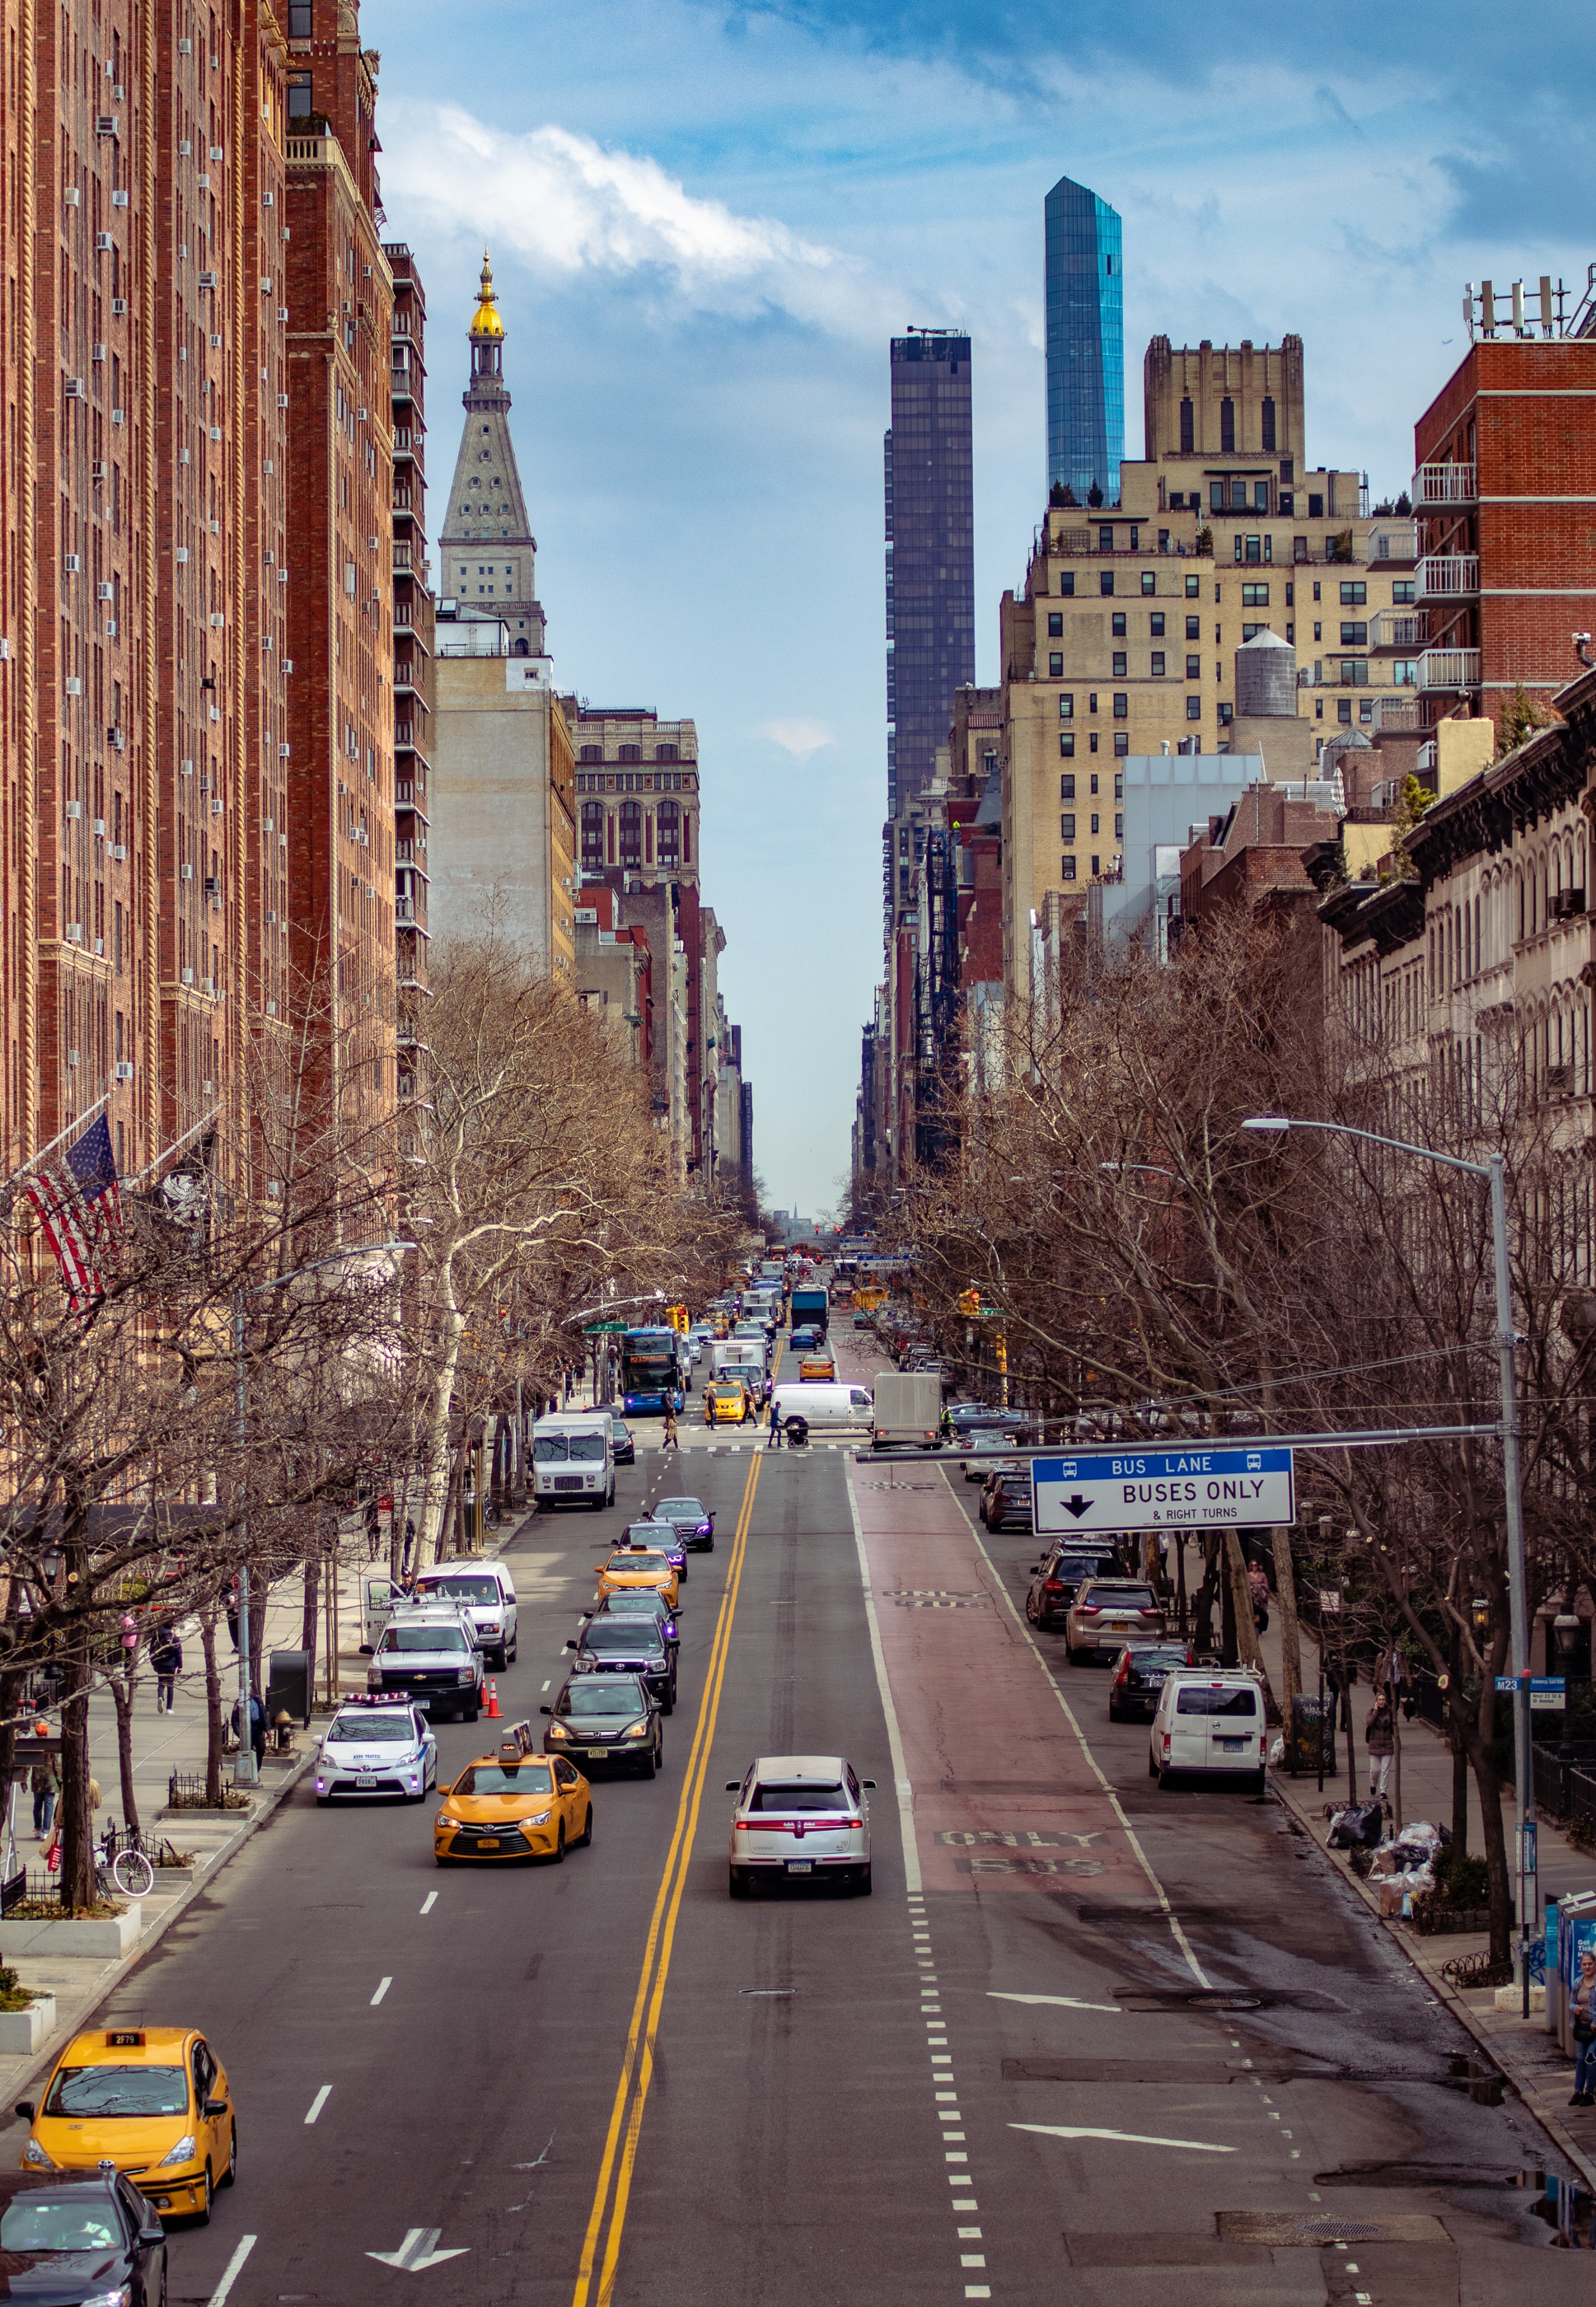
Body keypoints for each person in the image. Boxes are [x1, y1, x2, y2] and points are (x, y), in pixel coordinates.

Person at [1570, 1948, 1596, 2107]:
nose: (1587, 1967)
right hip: (1581, 2028)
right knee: (1580, 2059)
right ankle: (1577, 2092)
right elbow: (1571, 2002)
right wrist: (1575, 2008)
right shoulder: (1577, 1983)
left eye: (1590, 1964)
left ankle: (1589, 2092)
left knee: (1590, 2058)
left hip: (1595, 2029)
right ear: (1581, 1966)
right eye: (1584, 1964)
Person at [1364, 1688, 1396, 1805]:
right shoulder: (1372, 1711)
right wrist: (1376, 1712)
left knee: (1385, 1770)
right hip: (1375, 1744)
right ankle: (1373, 1784)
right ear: (1376, 1701)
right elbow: (1369, 1723)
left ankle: (1383, 1790)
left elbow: (1394, 1727)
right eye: (1379, 1700)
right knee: (1375, 1770)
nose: (1381, 1702)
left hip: (1387, 1744)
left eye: (1383, 1700)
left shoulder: (1390, 1712)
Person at [151, 1626, 182, 1713]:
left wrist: (154, 1663)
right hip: (171, 1665)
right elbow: (179, 1653)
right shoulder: (174, 1638)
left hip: (160, 1664)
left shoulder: (157, 1637)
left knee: (161, 1684)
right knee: (170, 1686)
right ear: (171, 1627)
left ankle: (160, 1696)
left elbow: (152, 1651)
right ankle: (169, 1708)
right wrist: (180, 1667)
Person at [30, 1756, 58, 1841]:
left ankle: (38, 1829)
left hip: (37, 1778)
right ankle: (46, 1832)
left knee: (37, 1804)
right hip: (50, 1779)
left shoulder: (35, 1744)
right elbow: (57, 1764)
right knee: (49, 1805)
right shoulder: (53, 1745)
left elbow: (28, 1759)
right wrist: (60, 1780)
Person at [1248, 1562, 1271, 1635]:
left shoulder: (1262, 1575)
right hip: (1252, 1597)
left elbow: (1266, 1586)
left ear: (1258, 1566)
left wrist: (1257, 1586)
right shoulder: (1248, 1575)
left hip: (1261, 1597)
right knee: (1255, 1611)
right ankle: (1255, 1626)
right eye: (1252, 1565)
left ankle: (1260, 1627)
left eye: (1255, 1565)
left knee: (1262, 1611)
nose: (1254, 1566)